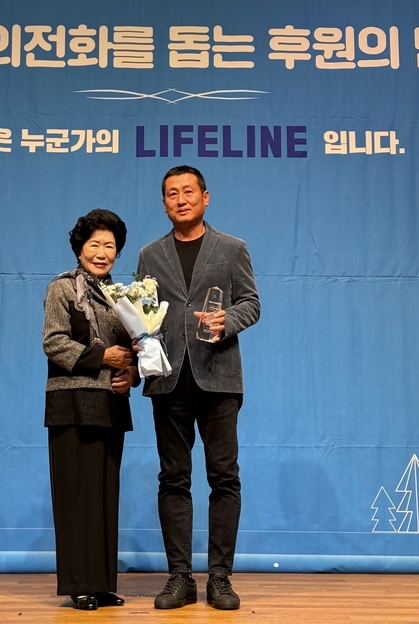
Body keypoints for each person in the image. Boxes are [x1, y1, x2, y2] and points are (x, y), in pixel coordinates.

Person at [137, 166, 260, 611]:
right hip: (167, 378)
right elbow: (142, 314)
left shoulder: (232, 248)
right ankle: (180, 577)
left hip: (218, 376)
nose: (181, 199)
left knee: (224, 477)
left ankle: (220, 579)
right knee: (173, 478)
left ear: (205, 197)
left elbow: (251, 303)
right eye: (172, 193)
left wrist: (229, 320)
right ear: (164, 204)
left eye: (188, 191)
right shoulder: (150, 255)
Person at [42, 209, 138, 611]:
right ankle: (79, 584)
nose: (102, 253)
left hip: (110, 404)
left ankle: (100, 583)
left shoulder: (124, 297)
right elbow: (54, 342)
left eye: (110, 246)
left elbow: (130, 350)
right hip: (72, 403)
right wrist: (103, 357)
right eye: (94, 244)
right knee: (77, 498)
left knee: (103, 498)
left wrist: (132, 372)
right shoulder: (62, 288)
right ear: (80, 248)